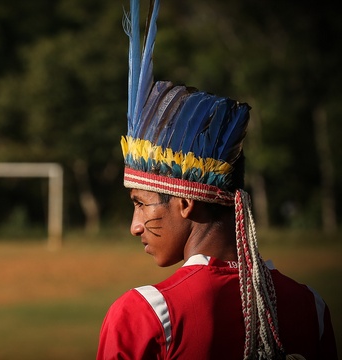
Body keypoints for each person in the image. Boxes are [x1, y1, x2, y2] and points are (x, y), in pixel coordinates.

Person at [96, 0, 338, 359]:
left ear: (185, 202)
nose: (134, 226)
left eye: (139, 204)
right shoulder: (310, 307)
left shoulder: (146, 316)